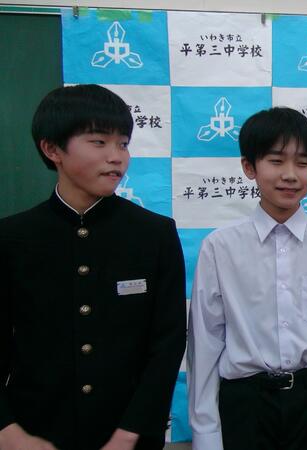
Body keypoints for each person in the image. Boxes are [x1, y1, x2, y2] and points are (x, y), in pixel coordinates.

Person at [0, 84, 187, 450]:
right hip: (33, 433)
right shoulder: (12, 237)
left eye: (123, 144)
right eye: (99, 142)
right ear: (52, 149)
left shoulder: (154, 234)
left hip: (128, 435)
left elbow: (167, 343)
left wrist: (131, 432)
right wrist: (8, 431)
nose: (116, 157)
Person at [187, 107, 307, 450]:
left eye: (303, 163)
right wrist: (206, 435)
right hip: (245, 403)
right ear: (249, 167)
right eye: (276, 161)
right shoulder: (220, 247)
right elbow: (206, 343)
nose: (290, 175)